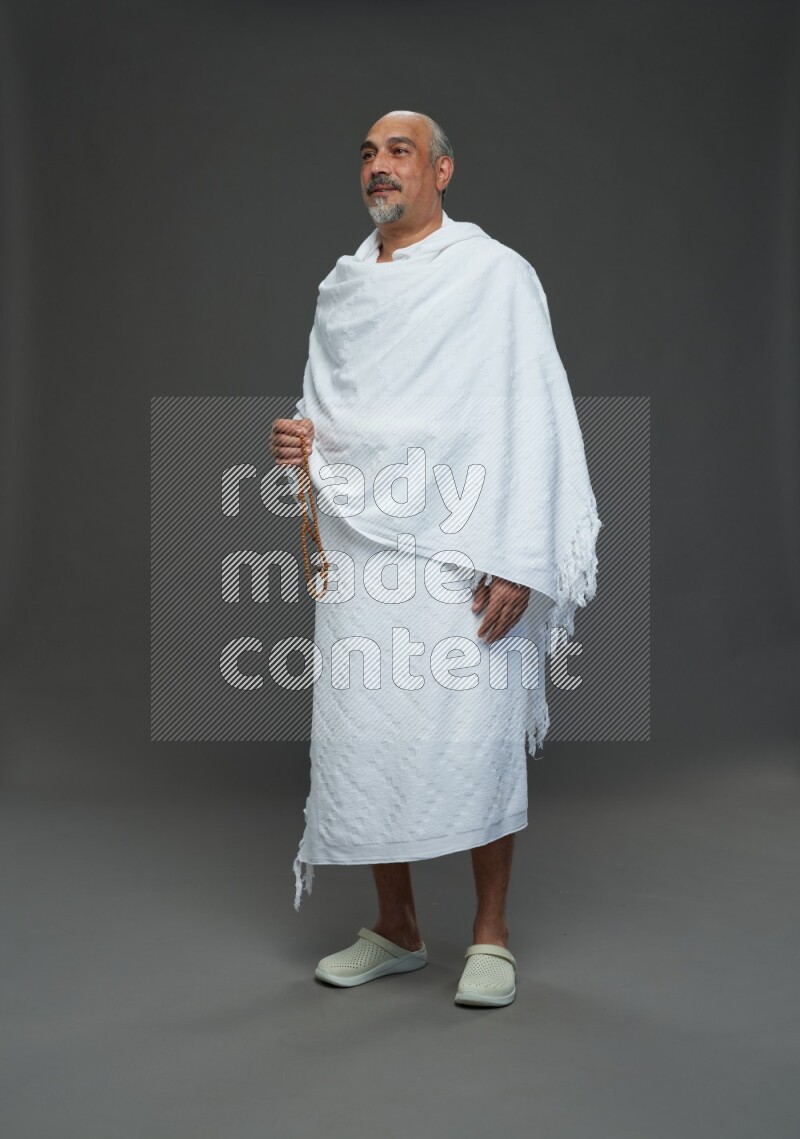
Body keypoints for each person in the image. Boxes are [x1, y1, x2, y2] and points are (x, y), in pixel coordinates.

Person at [270, 110, 601, 1007]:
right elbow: (331, 407)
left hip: (465, 543)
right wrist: (303, 442)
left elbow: (531, 418)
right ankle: (399, 927)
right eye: (369, 155)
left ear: (443, 171)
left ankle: (489, 935)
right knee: (366, 724)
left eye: (400, 152)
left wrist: (522, 555)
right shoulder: (342, 288)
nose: (380, 167)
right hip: (360, 547)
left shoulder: (493, 277)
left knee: (477, 728)